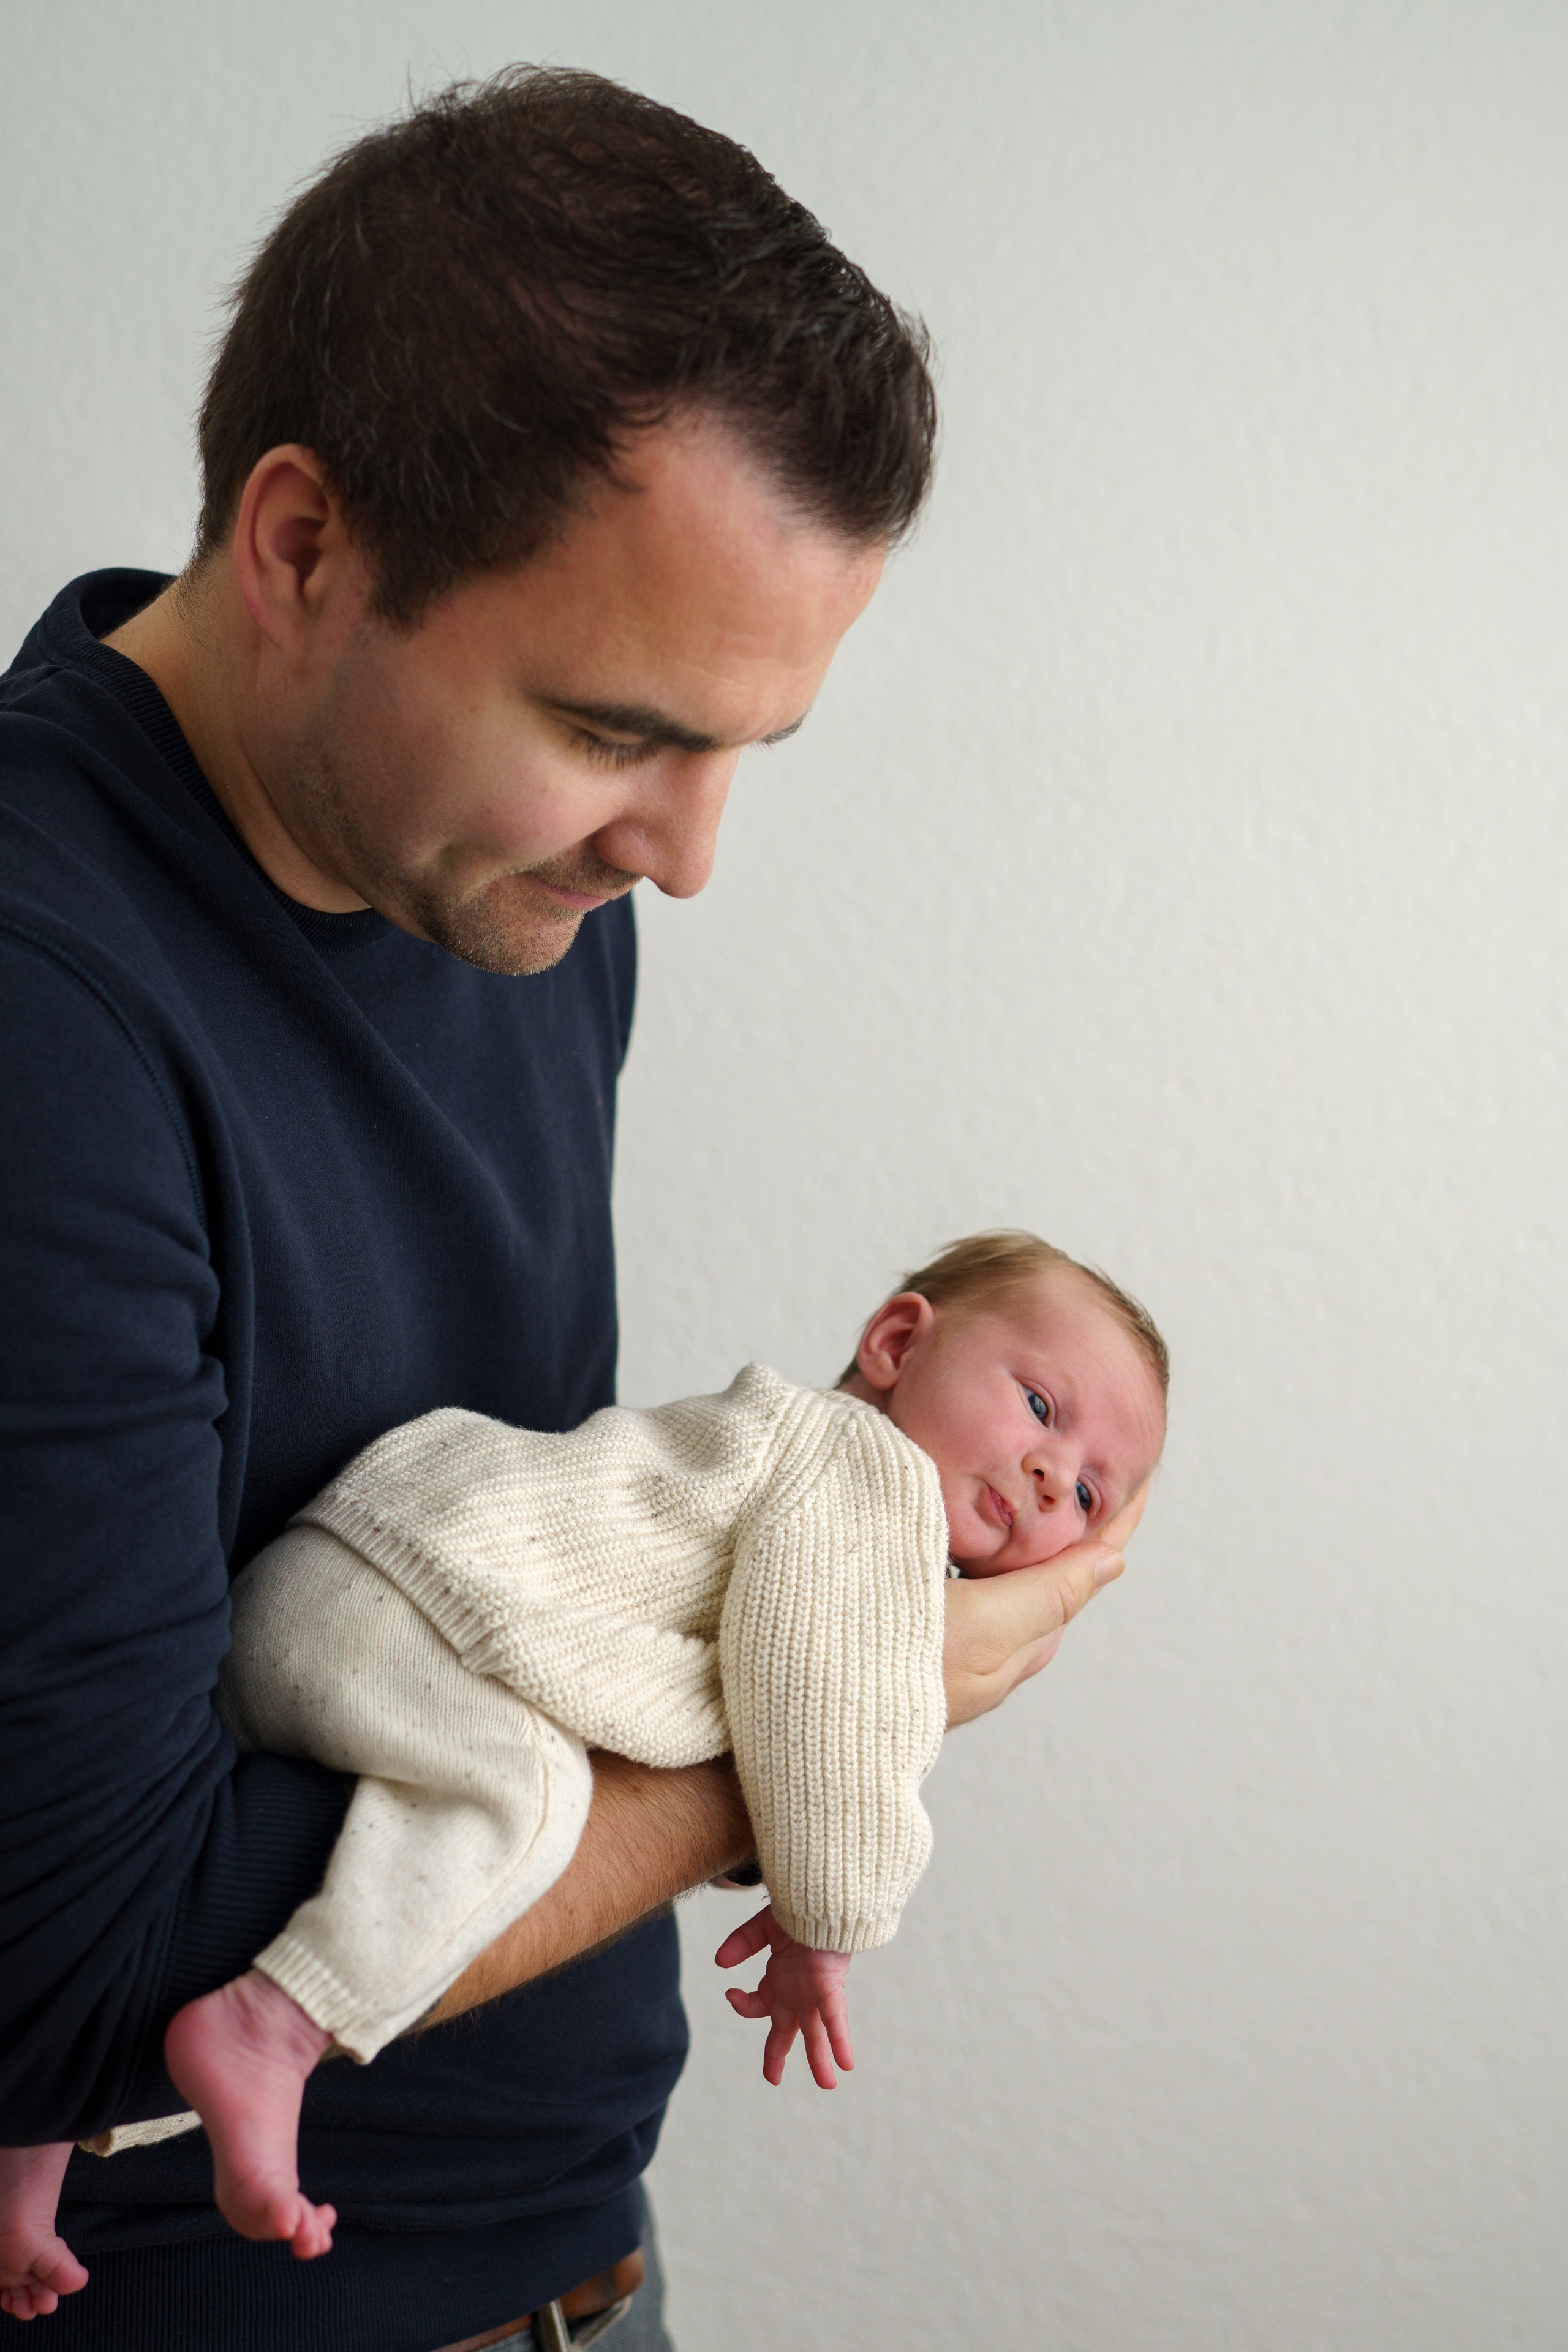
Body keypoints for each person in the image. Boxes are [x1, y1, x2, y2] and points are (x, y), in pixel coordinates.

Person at [0, 67, 1133, 2352]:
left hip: (577, 2247)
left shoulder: (511, 887)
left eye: (742, 752)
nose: (685, 859)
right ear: (301, 547)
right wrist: (840, 1701)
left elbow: (492, 1610)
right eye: (619, 731)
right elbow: (69, 1974)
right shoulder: (44, 1017)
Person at [1, 1232, 1167, 2307]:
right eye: (1039, 1405)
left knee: (347, 1853)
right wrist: (829, 1919)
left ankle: (33, 2150)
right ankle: (276, 2023)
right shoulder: (863, 1469)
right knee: (528, 1809)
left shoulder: (783, 1454)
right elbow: (827, 1702)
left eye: (1089, 1492)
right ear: (899, 1344)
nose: (1050, 1473)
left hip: (350, 1595)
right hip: (421, 1606)